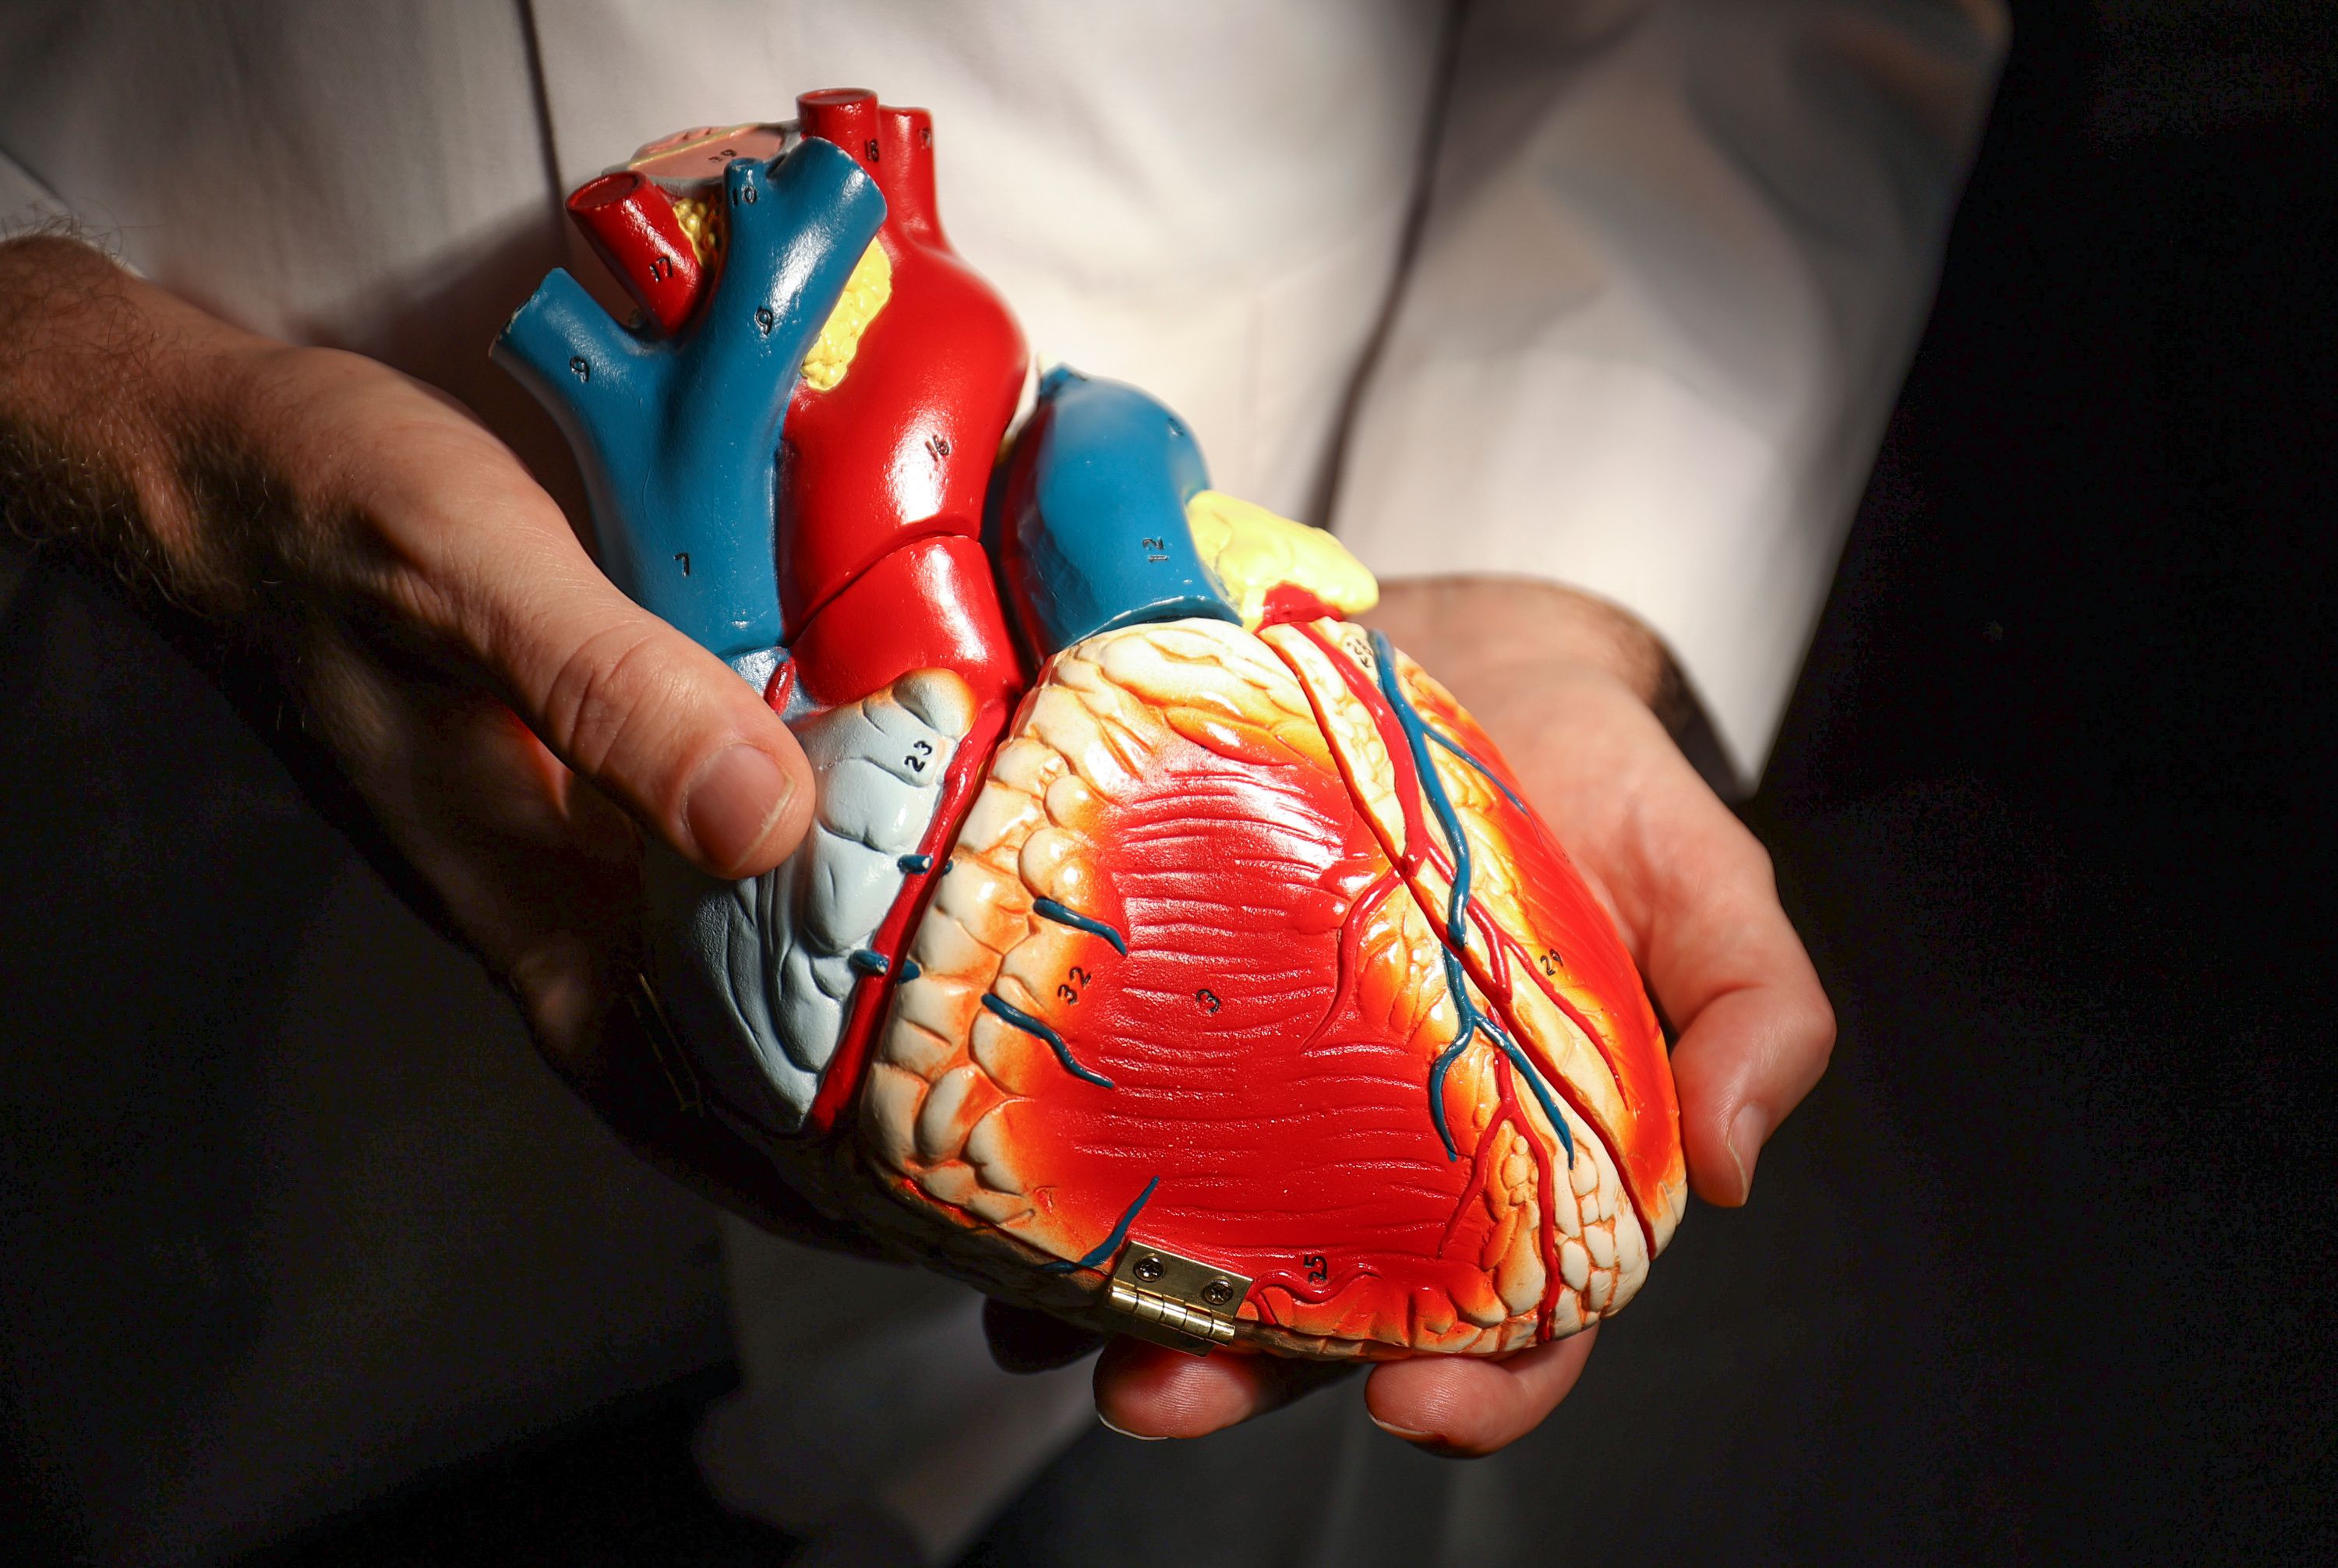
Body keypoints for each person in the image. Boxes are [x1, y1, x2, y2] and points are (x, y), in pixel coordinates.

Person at [0, 2, 2003, 1561]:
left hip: (1206, 718)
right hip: (189, 866)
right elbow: (1091, 466)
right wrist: (106, 405)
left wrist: (1548, 590)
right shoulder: (1018, 549)